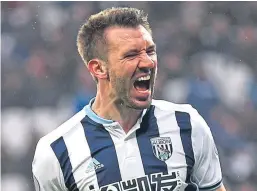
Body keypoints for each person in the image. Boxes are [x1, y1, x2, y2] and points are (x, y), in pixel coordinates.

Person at [32, 7, 227, 191]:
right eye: (131, 54)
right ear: (98, 68)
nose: (148, 62)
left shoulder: (187, 123)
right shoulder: (56, 151)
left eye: (150, 51)